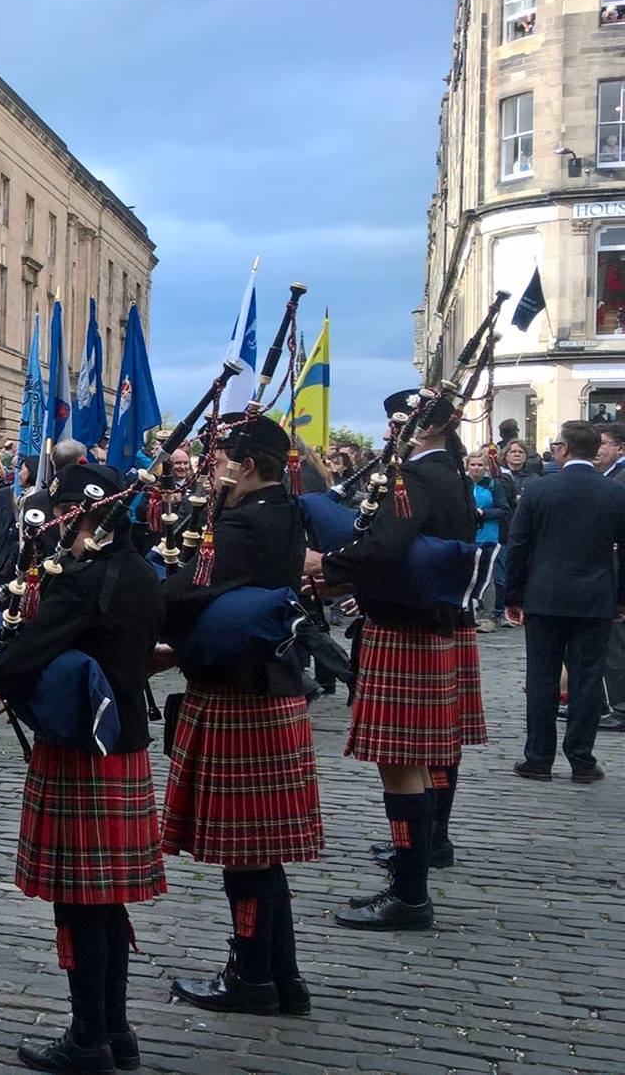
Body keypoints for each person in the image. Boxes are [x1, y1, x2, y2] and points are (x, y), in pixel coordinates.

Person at [0, 462, 165, 1075]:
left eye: (60, 509)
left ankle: (87, 1039)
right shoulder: (138, 570)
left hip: (81, 746)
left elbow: (28, 647)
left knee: (80, 900)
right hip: (125, 741)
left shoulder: (84, 580)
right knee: (106, 901)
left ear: (78, 511)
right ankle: (116, 1030)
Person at [158, 417, 322, 1017]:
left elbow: (186, 594)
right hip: (265, 685)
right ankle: (282, 975)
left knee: (245, 851)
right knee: (260, 850)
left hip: (239, 691)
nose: (214, 470)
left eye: (222, 459)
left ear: (247, 464)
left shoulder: (246, 521)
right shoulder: (283, 512)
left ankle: (253, 977)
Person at [309, 388, 476, 931]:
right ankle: (411, 877)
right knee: (419, 763)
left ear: (425, 428)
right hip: (428, 625)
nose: (389, 432)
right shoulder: (450, 473)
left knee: (400, 767)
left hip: (403, 629)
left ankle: (408, 894)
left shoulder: (417, 477)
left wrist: (325, 562)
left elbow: (385, 546)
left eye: (399, 423)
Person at [504, 421, 625, 787]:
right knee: (587, 681)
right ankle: (582, 760)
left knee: (542, 680)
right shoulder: (614, 492)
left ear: (564, 450)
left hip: (545, 596)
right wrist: (621, 598)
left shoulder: (539, 489)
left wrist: (513, 595)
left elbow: (518, 546)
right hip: (595, 597)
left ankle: (538, 759)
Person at [469, 453, 513, 630]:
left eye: (480, 465)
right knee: (472, 574)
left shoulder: (494, 485)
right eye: (473, 464)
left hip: (490, 535)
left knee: (494, 577)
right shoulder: (462, 484)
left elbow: (504, 510)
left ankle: (493, 613)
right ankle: (474, 612)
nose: (476, 468)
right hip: (469, 535)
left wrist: (483, 513)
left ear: (486, 467)